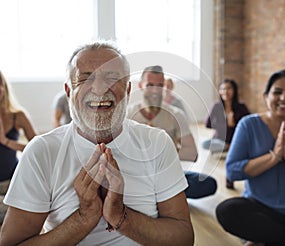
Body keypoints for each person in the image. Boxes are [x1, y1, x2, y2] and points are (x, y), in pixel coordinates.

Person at [0, 42, 194, 246]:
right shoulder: (42, 151)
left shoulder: (158, 143)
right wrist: (83, 218)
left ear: (127, 90)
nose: (100, 88)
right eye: (85, 78)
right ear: (68, 91)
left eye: (112, 78)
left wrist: (121, 216)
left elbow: (183, 238)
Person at [216, 69, 285, 245]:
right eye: (277, 92)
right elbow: (232, 172)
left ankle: (262, 240)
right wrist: (274, 157)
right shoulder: (249, 124)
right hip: (260, 209)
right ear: (266, 96)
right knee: (227, 210)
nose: (284, 98)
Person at [127, 65, 217, 199]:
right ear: (140, 85)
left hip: (166, 176)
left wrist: (162, 152)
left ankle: (157, 195)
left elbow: (193, 154)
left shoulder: (176, 115)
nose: (155, 90)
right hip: (137, 176)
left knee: (208, 183)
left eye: (160, 85)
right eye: (150, 85)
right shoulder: (127, 114)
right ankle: (163, 195)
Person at [0, 70, 36, 224]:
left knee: (20, 215)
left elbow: (37, 148)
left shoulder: (18, 115)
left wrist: (5, 141)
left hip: (11, 181)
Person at [202, 79, 250, 189]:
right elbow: (207, 124)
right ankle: (225, 148)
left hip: (236, 141)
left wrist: (234, 124)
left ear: (234, 91)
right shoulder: (216, 105)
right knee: (204, 144)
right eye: (223, 89)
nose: (226, 91)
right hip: (219, 140)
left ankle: (230, 177)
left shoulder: (241, 107)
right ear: (219, 91)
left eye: (229, 88)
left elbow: (248, 126)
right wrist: (226, 124)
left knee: (234, 153)